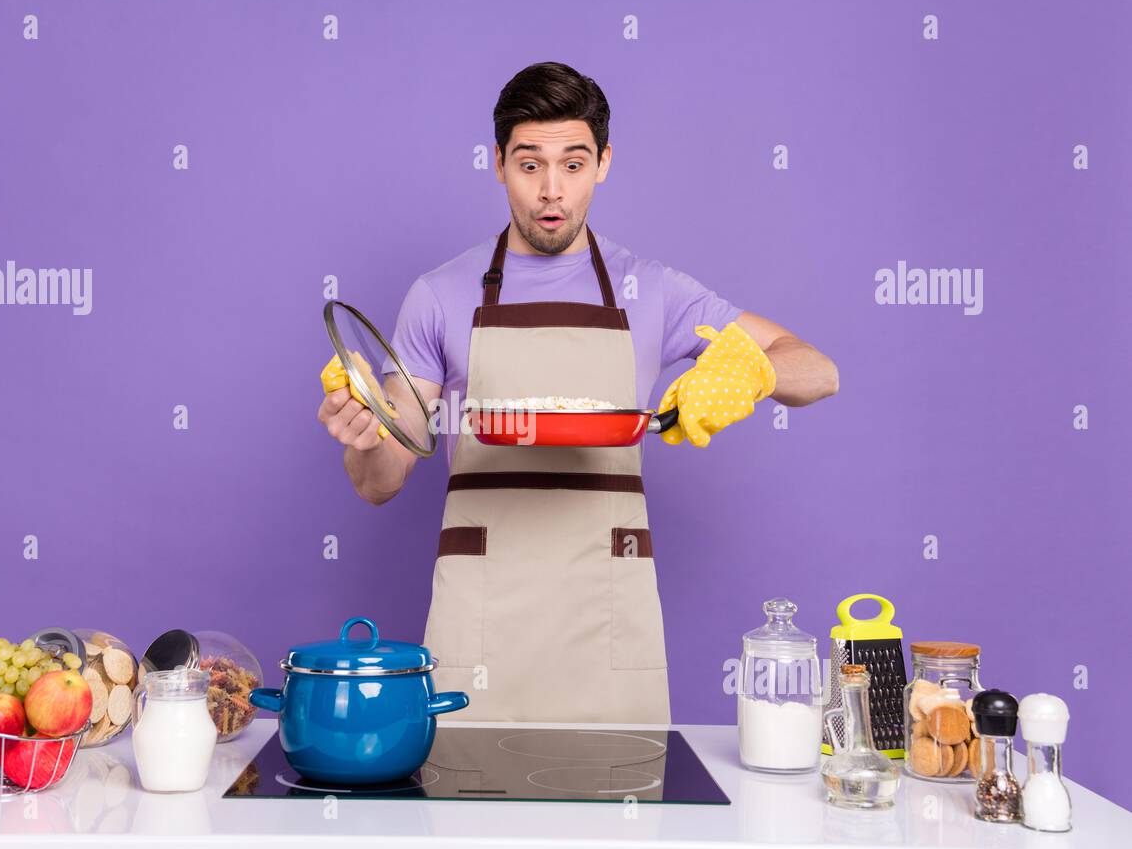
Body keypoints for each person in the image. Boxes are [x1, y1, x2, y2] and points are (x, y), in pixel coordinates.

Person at [318, 62, 839, 724]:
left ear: (604, 163)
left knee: (619, 809)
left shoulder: (651, 290)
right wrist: (364, 436)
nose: (551, 192)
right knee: (465, 813)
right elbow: (382, 478)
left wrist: (753, 372)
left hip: (607, 618)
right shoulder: (441, 295)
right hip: (480, 620)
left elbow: (819, 371)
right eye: (530, 165)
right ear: (498, 163)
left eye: (573, 163)